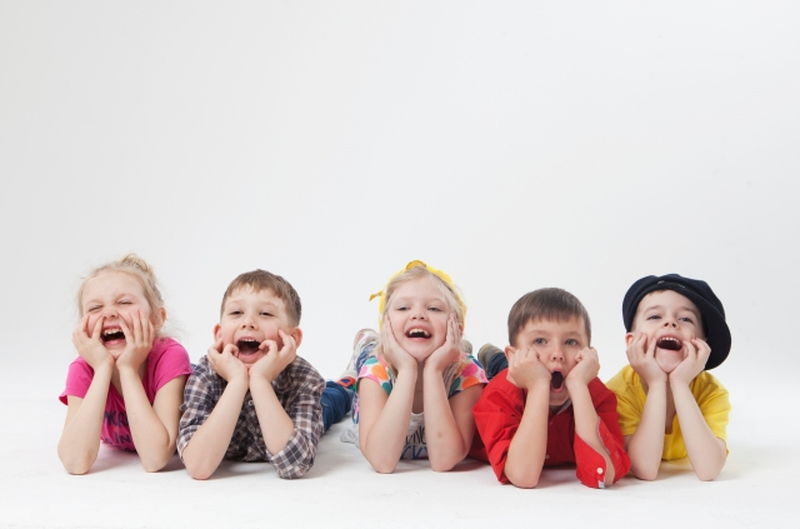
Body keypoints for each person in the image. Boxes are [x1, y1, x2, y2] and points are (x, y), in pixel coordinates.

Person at [337, 260, 487, 473]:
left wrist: (434, 370)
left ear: (457, 328)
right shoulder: (376, 371)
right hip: (379, 358)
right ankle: (366, 341)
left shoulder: (467, 373)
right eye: (403, 308)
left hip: (451, 361)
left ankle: (458, 348)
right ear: (386, 326)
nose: (418, 314)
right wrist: (407, 370)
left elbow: (444, 461)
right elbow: (382, 462)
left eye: (434, 308)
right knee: (362, 360)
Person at [473, 288, 630, 488]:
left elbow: (604, 475)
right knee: (502, 370)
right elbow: (523, 476)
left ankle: (495, 358)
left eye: (571, 342)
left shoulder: (595, 394)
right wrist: (538, 385)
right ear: (513, 355)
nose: (557, 353)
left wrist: (578, 386)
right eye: (540, 341)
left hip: (540, 370)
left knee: (531, 367)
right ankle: (494, 359)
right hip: (511, 374)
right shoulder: (497, 395)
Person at [177, 269, 324, 480]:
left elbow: (295, 465)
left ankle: (346, 381)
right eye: (236, 312)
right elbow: (198, 466)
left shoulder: (305, 379)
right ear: (219, 334)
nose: (248, 322)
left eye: (265, 314)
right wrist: (237, 381)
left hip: (321, 405)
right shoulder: (204, 375)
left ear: (292, 338)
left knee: (336, 399)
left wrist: (260, 380)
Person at [58, 254, 192, 474]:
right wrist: (102, 368)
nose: (109, 313)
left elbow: (155, 458)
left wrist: (128, 369)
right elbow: (75, 463)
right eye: (95, 308)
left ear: (157, 318)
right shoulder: (83, 368)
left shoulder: (170, 356)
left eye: (124, 303)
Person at [606, 274, 731, 481]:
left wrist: (680, 383)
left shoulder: (711, 392)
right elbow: (644, 469)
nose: (670, 322)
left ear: (702, 344)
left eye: (686, 319)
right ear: (632, 341)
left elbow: (709, 470)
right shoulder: (617, 392)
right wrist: (657, 383)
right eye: (655, 316)